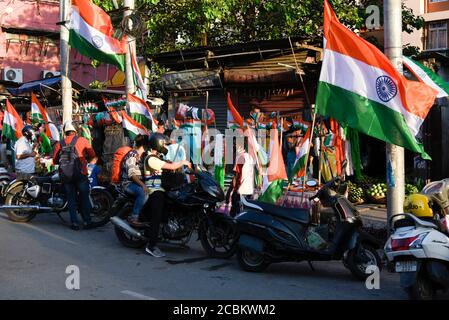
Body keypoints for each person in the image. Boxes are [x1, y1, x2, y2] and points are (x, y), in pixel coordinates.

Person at [143, 133, 191, 257]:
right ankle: (151, 246)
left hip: (162, 190)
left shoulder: (157, 157)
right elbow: (171, 166)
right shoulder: (151, 159)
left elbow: (168, 164)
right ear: (158, 144)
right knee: (156, 218)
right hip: (155, 191)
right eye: (163, 143)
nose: (165, 146)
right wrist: (183, 162)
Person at [53, 121, 97, 230]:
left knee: (71, 199)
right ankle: (87, 221)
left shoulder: (60, 143)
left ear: (65, 131)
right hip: (80, 174)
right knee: (84, 197)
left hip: (66, 175)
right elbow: (92, 155)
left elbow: (55, 160)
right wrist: (85, 160)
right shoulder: (82, 140)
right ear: (75, 131)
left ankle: (75, 223)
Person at [120, 134, 149, 226]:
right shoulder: (132, 155)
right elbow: (132, 175)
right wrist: (143, 185)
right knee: (143, 193)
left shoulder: (143, 156)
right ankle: (133, 217)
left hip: (137, 183)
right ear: (144, 145)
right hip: (128, 184)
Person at [227, 143, 255, 217]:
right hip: (249, 188)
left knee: (235, 208)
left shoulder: (239, 157)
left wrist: (231, 189)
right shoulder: (250, 157)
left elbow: (236, 175)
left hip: (241, 188)